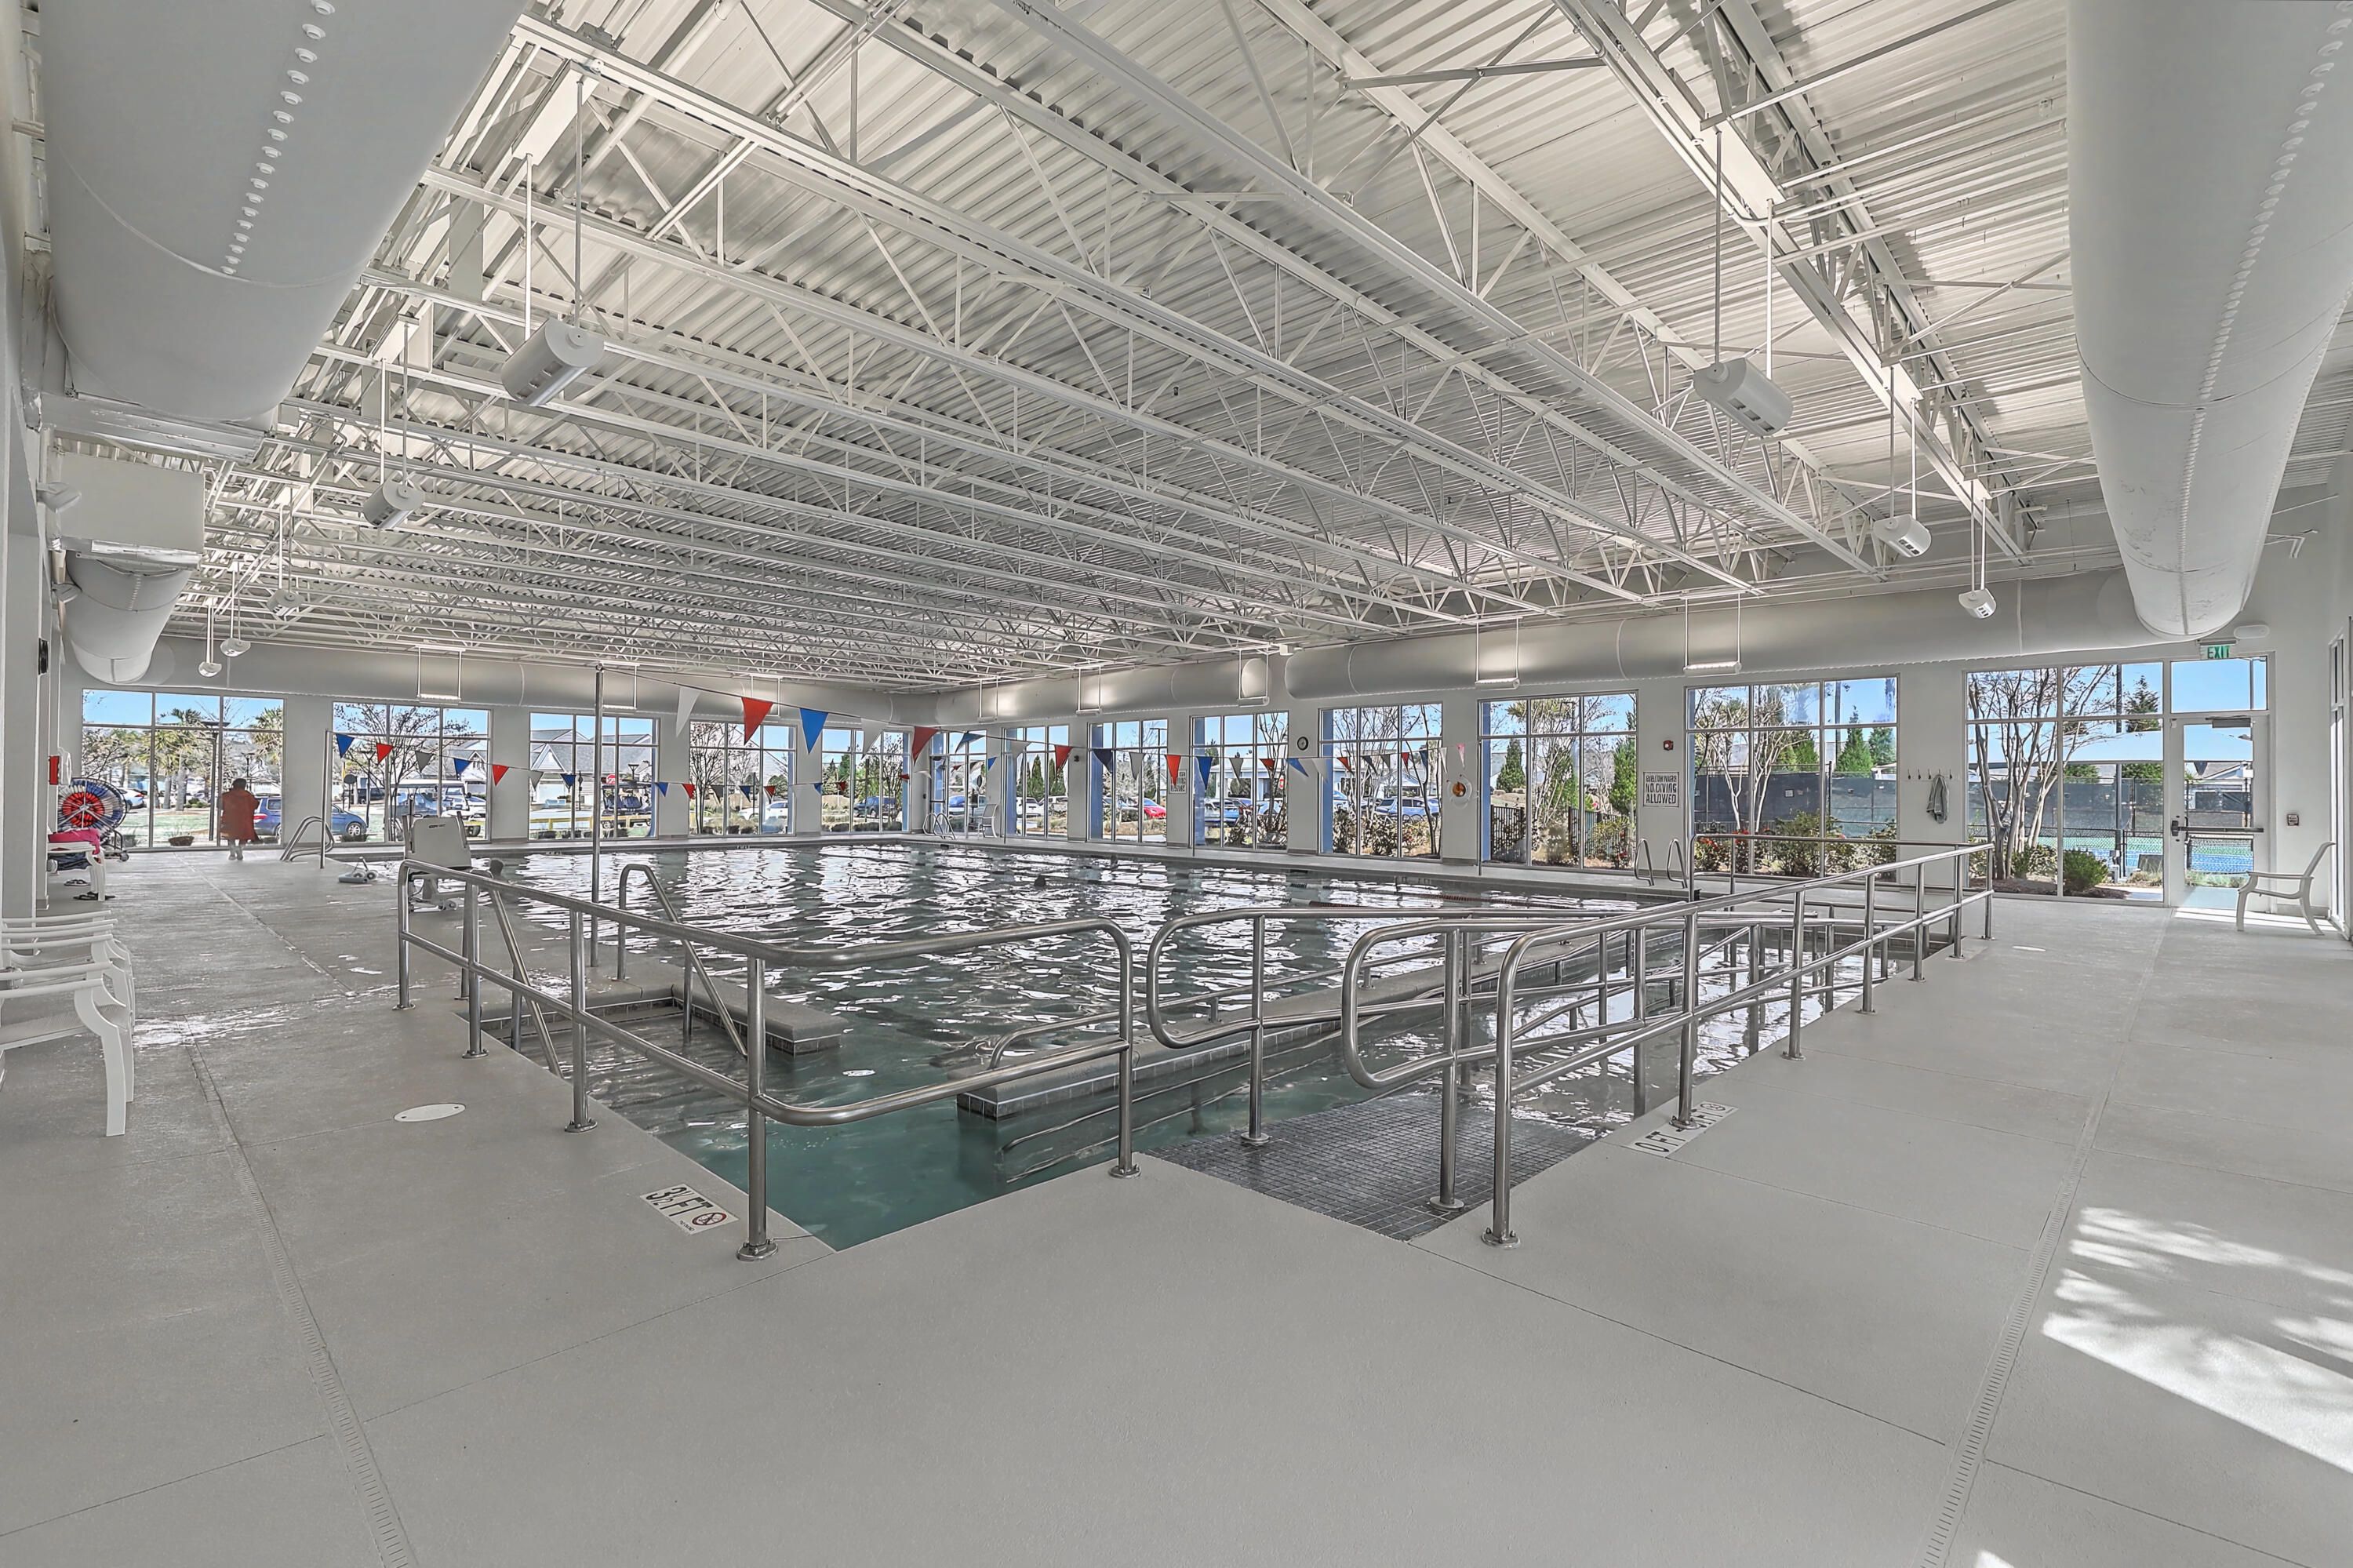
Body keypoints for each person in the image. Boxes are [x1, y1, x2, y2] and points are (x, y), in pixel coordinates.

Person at [216, 777, 259, 861]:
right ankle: (240, 849)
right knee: (244, 837)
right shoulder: (249, 796)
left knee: (230, 837)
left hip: (229, 819)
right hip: (245, 820)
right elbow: (255, 805)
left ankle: (232, 853)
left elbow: (219, 806)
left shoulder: (226, 795)